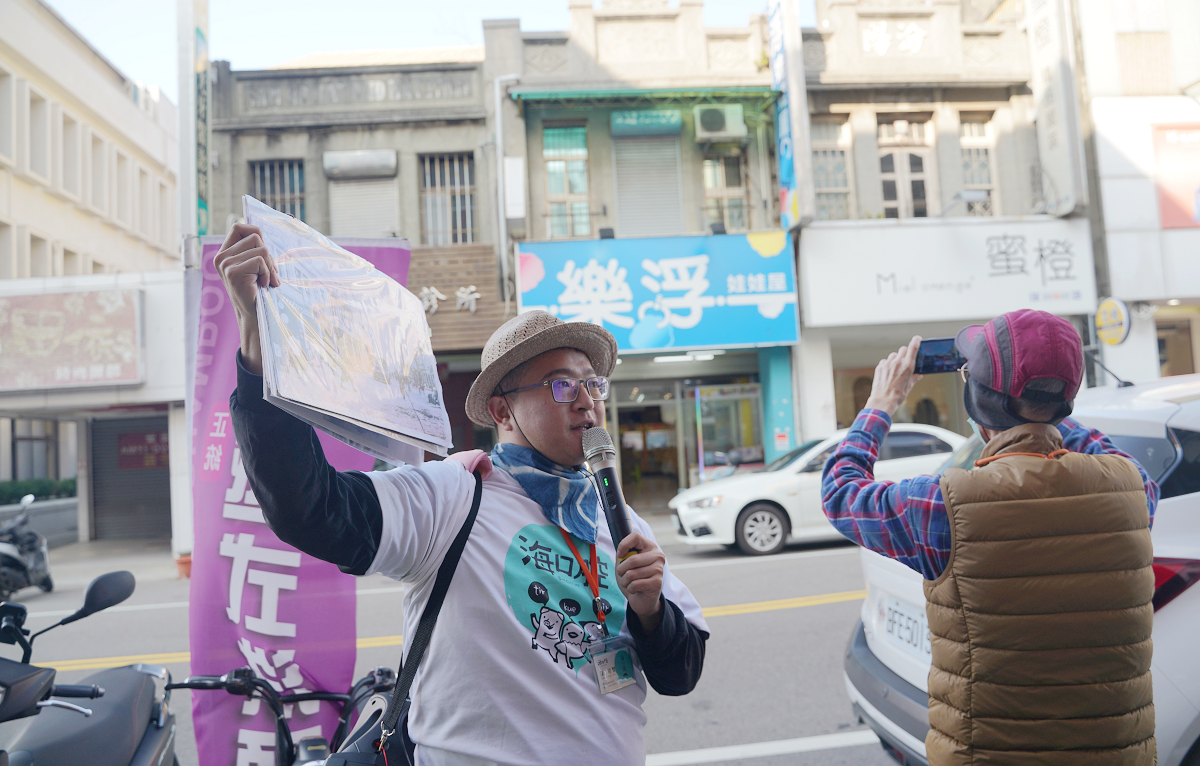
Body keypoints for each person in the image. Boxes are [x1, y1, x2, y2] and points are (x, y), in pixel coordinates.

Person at [216, 224, 708, 766]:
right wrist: (259, 351)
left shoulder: (619, 522)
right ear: (502, 411)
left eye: (593, 383)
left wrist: (649, 610)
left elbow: (680, 674)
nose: (587, 400)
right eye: (562, 384)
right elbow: (312, 509)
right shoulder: (455, 495)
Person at [821, 310, 1159, 766]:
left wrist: (879, 405)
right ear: (1068, 401)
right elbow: (1100, 450)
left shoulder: (946, 506)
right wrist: (1045, 408)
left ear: (978, 403)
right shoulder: (1132, 489)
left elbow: (841, 492)